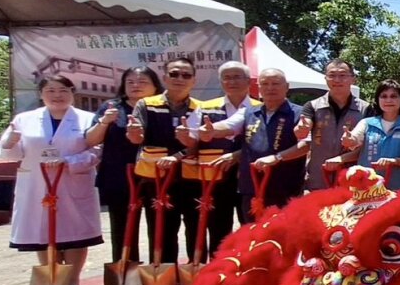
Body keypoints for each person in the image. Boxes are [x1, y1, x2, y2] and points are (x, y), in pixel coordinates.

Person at [0, 75, 103, 285]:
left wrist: (70, 161)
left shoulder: (88, 119)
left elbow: (97, 151)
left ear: (72, 93)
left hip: (73, 180)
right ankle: (51, 277)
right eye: (50, 91)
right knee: (42, 230)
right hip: (37, 183)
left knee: (75, 231)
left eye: (63, 90)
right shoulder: (24, 119)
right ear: (41, 94)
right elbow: (9, 154)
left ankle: (72, 280)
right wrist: (10, 143)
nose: (57, 95)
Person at [200, 68, 307, 221]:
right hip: (251, 186)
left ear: (287, 86)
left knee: (283, 231)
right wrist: (212, 130)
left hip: (286, 187)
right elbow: (228, 125)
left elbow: (307, 145)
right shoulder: (248, 112)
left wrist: (278, 157)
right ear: (259, 87)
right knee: (251, 231)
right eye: (265, 84)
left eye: (275, 83)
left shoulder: (300, 113)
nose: (270, 88)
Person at [127, 56, 203, 267]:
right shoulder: (146, 104)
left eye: (186, 75)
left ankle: (195, 274)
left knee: (196, 229)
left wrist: (178, 156)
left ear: (193, 81)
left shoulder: (201, 108)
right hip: (157, 180)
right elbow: (137, 138)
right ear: (164, 77)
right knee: (161, 231)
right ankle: (164, 276)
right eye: (174, 74)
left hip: (193, 179)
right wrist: (134, 134)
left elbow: (202, 143)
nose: (180, 79)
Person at [85, 65, 162, 264]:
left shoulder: (162, 107)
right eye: (130, 82)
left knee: (160, 228)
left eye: (142, 81)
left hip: (157, 176)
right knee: (122, 229)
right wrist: (104, 122)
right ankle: (126, 270)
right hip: (119, 176)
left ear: (155, 86)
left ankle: (159, 271)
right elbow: (90, 140)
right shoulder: (112, 107)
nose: (136, 85)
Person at [184, 60, 257, 254]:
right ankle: (219, 268)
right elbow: (192, 138)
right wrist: (187, 138)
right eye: (227, 78)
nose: (232, 82)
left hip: (250, 178)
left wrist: (237, 155)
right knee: (217, 227)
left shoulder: (261, 107)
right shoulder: (205, 107)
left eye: (237, 77)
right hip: (214, 177)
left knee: (250, 226)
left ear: (248, 81)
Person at [295, 59, 369, 192]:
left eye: (342, 75)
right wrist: (301, 129)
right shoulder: (313, 106)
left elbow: (367, 147)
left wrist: (342, 159)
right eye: (332, 75)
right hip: (318, 179)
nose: (337, 80)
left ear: (353, 79)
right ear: (325, 78)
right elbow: (303, 127)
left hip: (352, 180)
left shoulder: (366, 109)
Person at [342, 80, 400, 190]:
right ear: (377, 100)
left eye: (393, 96)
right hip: (367, 191)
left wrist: (395, 161)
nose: (388, 100)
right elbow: (354, 139)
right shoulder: (366, 123)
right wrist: (349, 140)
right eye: (384, 96)